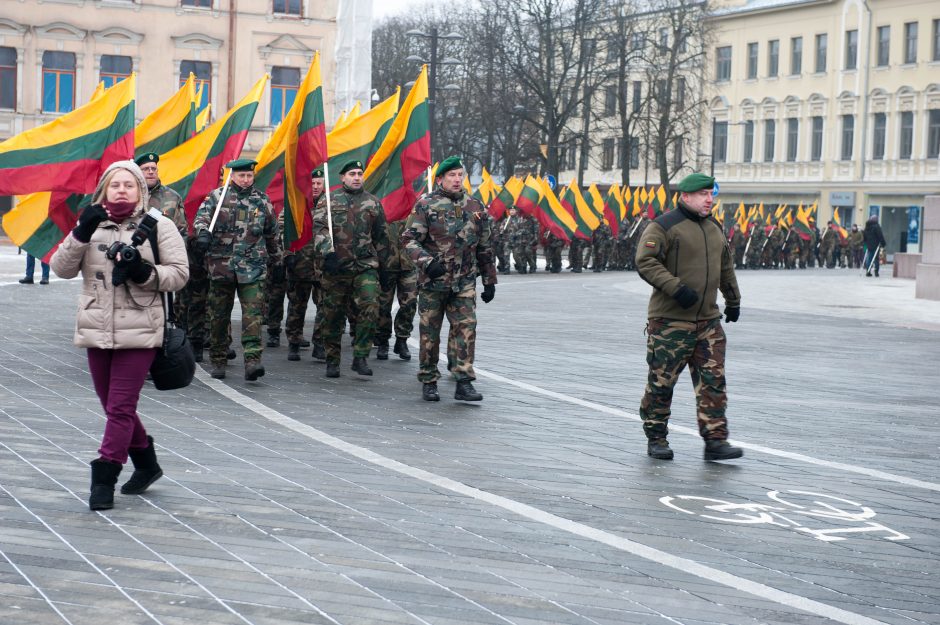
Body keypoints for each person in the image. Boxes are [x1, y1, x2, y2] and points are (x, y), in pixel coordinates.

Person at [50, 160, 189, 510]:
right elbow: (61, 269)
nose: (122, 190)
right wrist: (81, 233)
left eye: (130, 184)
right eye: (115, 185)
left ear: (141, 190)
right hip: (97, 326)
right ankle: (147, 464)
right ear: (104, 190)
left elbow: (179, 274)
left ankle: (104, 477)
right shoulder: (90, 224)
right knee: (112, 406)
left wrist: (144, 272)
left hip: (141, 325)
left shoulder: (159, 225)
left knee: (121, 407)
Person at [634, 172, 743, 462]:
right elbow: (645, 261)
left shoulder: (714, 227)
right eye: (704, 194)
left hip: (708, 321)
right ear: (686, 196)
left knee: (713, 381)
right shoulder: (664, 226)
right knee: (662, 382)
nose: (710, 199)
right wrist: (676, 288)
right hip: (670, 321)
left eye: (712, 194)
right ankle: (656, 437)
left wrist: (733, 301)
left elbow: (726, 268)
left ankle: (715, 441)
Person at [401, 156, 498, 402]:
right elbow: (409, 240)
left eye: (460, 175)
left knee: (466, 329)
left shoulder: (475, 206)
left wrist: (489, 279)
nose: (457, 180)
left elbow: (485, 245)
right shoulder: (426, 204)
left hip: (464, 281)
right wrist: (426, 262)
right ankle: (428, 379)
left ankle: (463, 380)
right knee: (429, 332)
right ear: (441, 178)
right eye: (451, 176)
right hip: (434, 281)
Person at [192, 159, 282, 380]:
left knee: (253, 316)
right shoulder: (216, 197)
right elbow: (201, 219)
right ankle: (218, 359)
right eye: (241, 176)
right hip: (221, 267)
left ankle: (252, 361)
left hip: (253, 268)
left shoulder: (261, 201)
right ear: (232, 176)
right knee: (219, 316)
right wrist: (202, 233)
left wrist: (278, 260)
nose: (245, 180)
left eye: (249, 176)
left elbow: (272, 234)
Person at [312, 159, 391, 378]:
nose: (357, 177)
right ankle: (332, 359)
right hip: (336, 267)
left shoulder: (373, 203)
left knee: (370, 306)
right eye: (352, 174)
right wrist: (327, 253)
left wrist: (385, 267)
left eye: (359, 173)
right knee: (333, 314)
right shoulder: (328, 201)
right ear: (342, 178)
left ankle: (361, 356)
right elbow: (320, 230)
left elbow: (382, 237)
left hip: (365, 265)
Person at [284, 167, 325, 360]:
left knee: (325, 306)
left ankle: (320, 343)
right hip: (300, 263)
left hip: (324, 266)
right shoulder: (295, 204)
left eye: (319, 183)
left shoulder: (331, 206)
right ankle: (293, 341)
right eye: (312, 183)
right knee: (297, 305)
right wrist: (286, 255)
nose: (315, 187)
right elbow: (282, 231)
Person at [375, 214, 417, 361]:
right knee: (382, 306)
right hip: (385, 265)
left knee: (410, 303)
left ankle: (402, 339)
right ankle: (382, 340)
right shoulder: (381, 206)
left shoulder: (413, 210)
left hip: (409, 264)